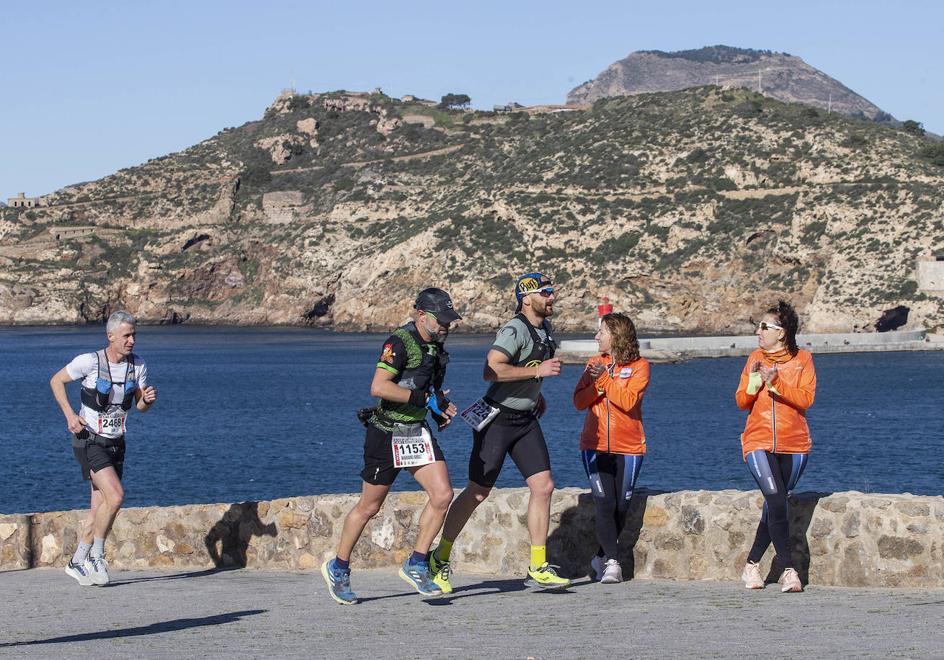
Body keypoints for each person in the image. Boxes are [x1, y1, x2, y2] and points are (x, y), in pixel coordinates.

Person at [429, 272, 570, 593]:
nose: (552, 298)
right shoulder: (514, 329)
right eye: (546, 293)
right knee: (478, 492)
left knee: (544, 486)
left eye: (552, 293)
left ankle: (538, 564)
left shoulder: (543, 328)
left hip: (525, 418)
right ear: (526, 298)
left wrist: (535, 391)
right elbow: (491, 369)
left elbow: (525, 369)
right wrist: (537, 371)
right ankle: (440, 557)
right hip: (496, 420)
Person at [321, 288, 460, 605]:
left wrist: (438, 410)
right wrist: (421, 399)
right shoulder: (399, 342)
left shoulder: (436, 348)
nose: (447, 327)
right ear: (422, 315)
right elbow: (378, 387)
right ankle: (338, 567)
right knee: (369, 507)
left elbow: (428, 391)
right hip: (386, 432)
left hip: (415, 431)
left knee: (442, 495)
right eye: (442, 320)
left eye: (450, 321)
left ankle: (417, 563)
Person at [49, 311, 157, 586]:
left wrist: (147, 400)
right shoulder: (89, 361)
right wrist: (70, 415)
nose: (132, 340)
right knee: (117, 496)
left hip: (116, 443)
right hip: (88, 440)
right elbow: (56, 381)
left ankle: (76, 561)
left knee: (99, 508)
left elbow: (141, 408)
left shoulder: (137, 366)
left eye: (134, 335)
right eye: (126, 335)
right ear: (111, 336)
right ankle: (97, 554)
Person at [735, 300, 816, 593]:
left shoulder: (803, 359)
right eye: (758, 326)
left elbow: (806, 399)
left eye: (764, 326)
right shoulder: (754, 358)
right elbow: (742, 401)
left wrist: (777, 382)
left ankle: (752, 564)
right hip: (757, 440)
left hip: (795, 445)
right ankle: (789, 569)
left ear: (781, 332)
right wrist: (757, 378)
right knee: (776, 499)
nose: (759, 331)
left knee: (775, 505)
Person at [572, 312, 650, 584]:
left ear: (616, 336)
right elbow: (579, 401)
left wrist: (605, 381)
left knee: (620, 505)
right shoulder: (594, 364)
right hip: (593, 446)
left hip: (628, 447)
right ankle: (613, 564)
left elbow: (628, 401)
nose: (596, 337)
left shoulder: (640, 366)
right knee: (604, 502)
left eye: (601, 332)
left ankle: (600, 556)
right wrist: (598, 385)